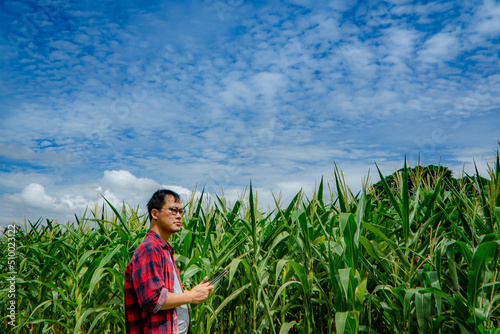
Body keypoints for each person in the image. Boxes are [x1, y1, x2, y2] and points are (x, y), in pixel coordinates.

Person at [124, 189, 213, 334]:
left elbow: (166, 293)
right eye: (173, 210)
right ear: (155, 213)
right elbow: (153, 299)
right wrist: (191, 296)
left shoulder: (164, 249)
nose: (179, 216)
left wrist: (193, 292)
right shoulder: (149, 249)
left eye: (181, 212)